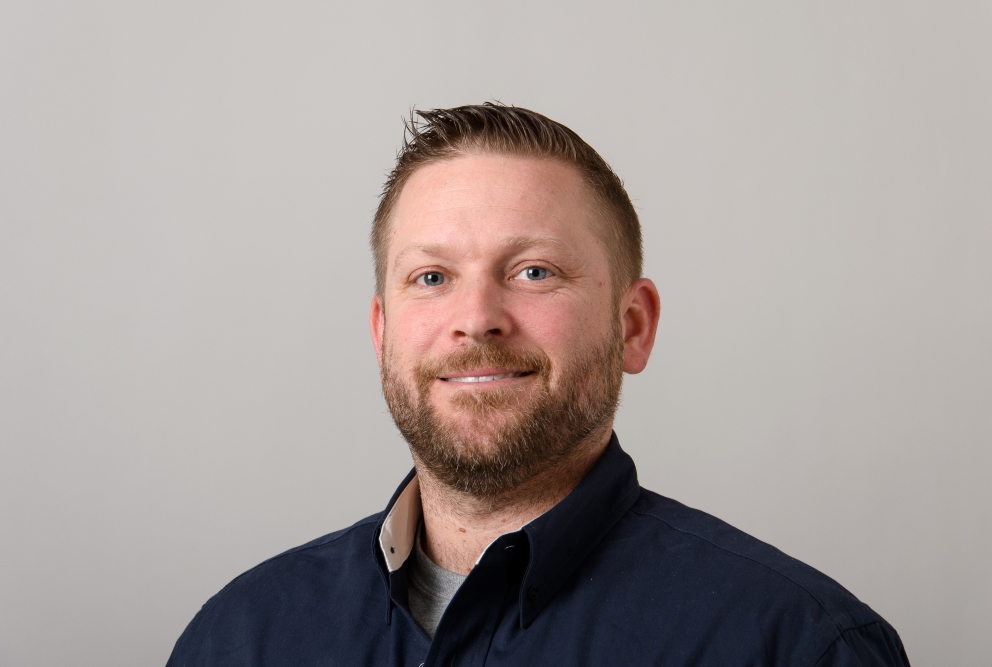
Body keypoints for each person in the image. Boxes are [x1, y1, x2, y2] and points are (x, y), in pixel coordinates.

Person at [167, 103, 910, 666]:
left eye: (533, 272)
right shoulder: (240, 637)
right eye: (432, 277)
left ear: (633, 325)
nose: (478, 319)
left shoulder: (798, 644)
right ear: (382, 332)